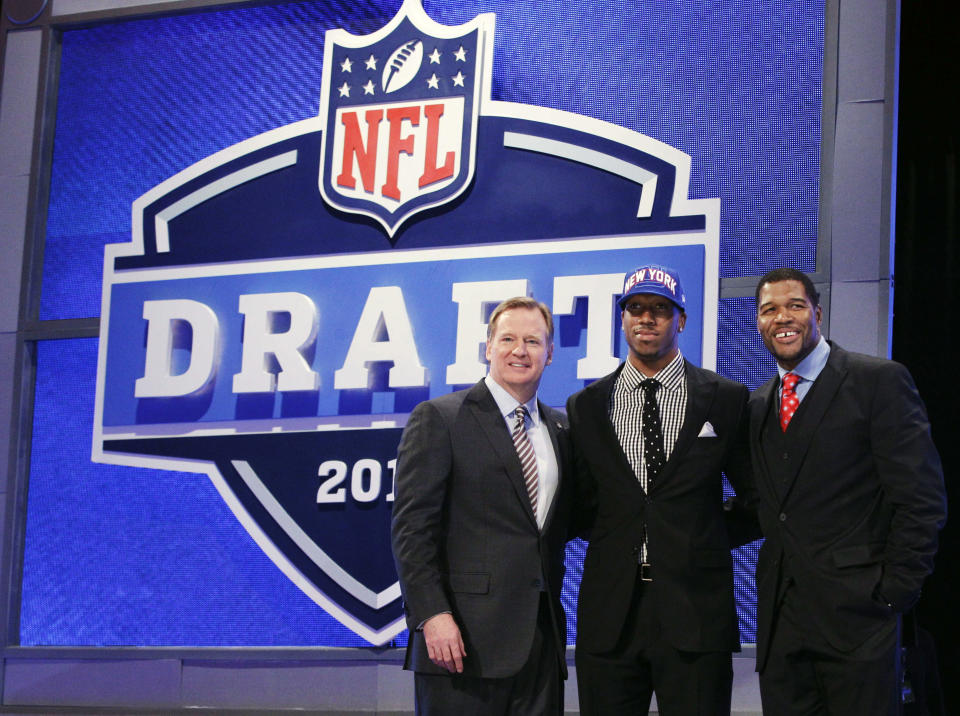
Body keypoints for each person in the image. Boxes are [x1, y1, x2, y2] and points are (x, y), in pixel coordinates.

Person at [749, 267, 947, 716]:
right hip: (782, 629)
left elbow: (922, 499)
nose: (783, 317)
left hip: (861, 626)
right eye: (769, 309)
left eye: (795, 305)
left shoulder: (877, 381)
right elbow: (766, 504)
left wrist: (893, 594)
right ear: (759, 323)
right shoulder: (758, 405)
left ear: (817, 313)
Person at [566, 264, 754, 715]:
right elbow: (580, 505)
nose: (646, 318)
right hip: (611, 615)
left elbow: (757, 499)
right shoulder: (586, 406)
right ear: (623, 318)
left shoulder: (725, 397)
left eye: (660, 309)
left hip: (696, 612)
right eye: (635, 308)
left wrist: (699, 538)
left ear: (681, 320)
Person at [390, 296, 572, 715]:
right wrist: (431, 614)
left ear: (549, 354)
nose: (519, 350)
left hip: (540, 649)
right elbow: (412, 530)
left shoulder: (560, 429)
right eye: (507, 338)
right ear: (488, 347)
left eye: (532, 340)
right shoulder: (440, 418)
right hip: (460, 645)